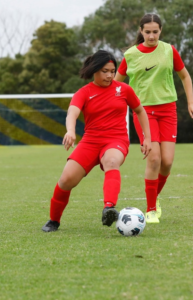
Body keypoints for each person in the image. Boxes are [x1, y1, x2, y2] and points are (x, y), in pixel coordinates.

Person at [42, 50, 152, 232]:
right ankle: (54, 220)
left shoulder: (124, 89)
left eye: (112, 70)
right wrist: (70, 131)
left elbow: (140, 110)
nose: (109, 75)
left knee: (111, 161)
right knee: (66, 180)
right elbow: (72, 113)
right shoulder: (83, 92)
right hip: (90, 141)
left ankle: (109, 208)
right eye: (104, 71)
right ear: (94, 70)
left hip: (116, 139)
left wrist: (146, 137)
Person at [115, 13, 193, 224]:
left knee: (167, 162)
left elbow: (185, 76)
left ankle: (154, 199)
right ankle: (151, 210)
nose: (152, 36)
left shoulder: (169, 50)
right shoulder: (131, 55)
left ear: (160, 30)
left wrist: (191, 103)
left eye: (155, 31)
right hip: (143, 112)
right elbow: (117, 85)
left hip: (168, 110)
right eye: (147, 32)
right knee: (154, 159)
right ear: (141, 31)